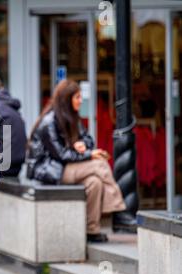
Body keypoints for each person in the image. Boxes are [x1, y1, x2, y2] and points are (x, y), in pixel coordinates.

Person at [26, 79, 126, 243]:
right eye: (77, 97)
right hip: (51, 169)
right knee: (99, 164)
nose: (81, 100)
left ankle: (91, 230)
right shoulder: (48, 122)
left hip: (68, 167)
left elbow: (88, 140)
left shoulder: (73, 118)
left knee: (95, 182)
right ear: (67, 99)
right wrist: (88, 154)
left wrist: (81, 145)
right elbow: (61, 155)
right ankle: (118, 209)